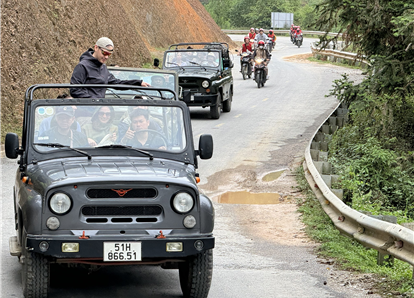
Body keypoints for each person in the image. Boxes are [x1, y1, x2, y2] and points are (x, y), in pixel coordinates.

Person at [70, 37, 150, 98]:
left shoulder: (103, 67)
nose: (107, 57)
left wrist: (138, 82)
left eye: (109, 54)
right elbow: (75, 90)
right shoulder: (82, 66)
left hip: (99, 109)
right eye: (104, 53)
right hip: (85, 111)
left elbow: (117, 83)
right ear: (96, 48)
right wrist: (94, 101)